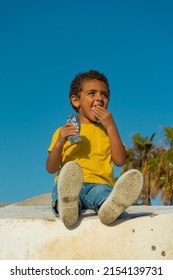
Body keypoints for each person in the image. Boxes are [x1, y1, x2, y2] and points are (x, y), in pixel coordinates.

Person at [46, 70, 143, 226]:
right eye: (92, 93)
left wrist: (111, 126)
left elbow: (120, 161)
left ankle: (108, 209)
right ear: (76, 100)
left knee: (103, 195)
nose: (99, 98)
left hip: (99, 185)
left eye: (104, 95)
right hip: (69, 187)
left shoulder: (108, 131)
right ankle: (67, 209)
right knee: (63, 195)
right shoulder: (62, 131)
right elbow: (51, 168)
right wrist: (60, 142)